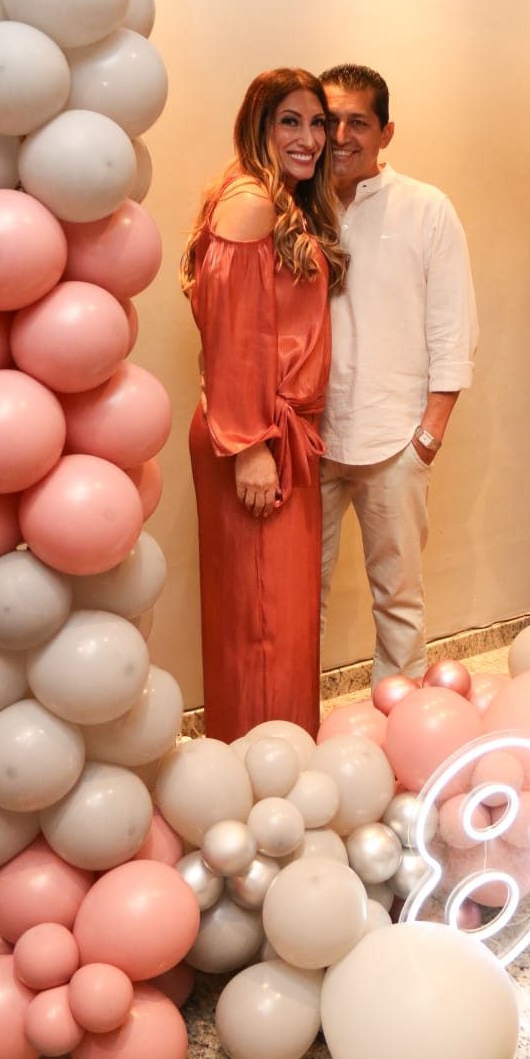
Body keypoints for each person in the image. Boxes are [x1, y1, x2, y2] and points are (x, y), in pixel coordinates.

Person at [180, 68, 347, 743]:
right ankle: (260, 773)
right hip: (253, 437)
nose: (309, 138)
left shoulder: (279, 202)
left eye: (317, 123)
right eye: (290, 121)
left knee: (275, 618)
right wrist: (250, 446)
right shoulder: (250, 202)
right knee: (262, 623)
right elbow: (235, 339)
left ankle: (281, 762)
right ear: (259, 125)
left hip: (281, 434)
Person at [318, 63, 478, 689]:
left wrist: (428, 435)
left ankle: (402, 722)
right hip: (309, 438)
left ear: (386, 132)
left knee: (399, 597)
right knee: (298, 598)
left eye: (357, 122)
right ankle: (294, 725)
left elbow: (453, 326)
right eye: (330, 121)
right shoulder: (295, 205)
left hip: (396, 437)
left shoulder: (426, 208)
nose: (340, 137)